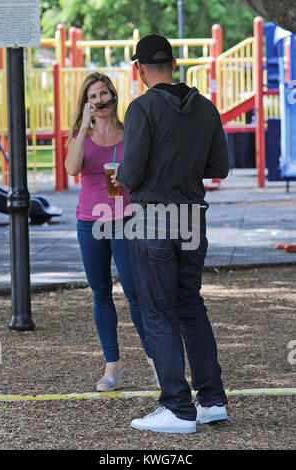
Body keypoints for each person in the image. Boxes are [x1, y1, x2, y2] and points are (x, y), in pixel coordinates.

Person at [114, 35, 230, 433]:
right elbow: (220, 166)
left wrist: (123, 177)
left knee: (158, 311)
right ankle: (211, 400)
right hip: (193, 216)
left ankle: (178, 408)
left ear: (139, 68)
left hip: (154, 218)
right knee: (190, 306)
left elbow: (129, 175)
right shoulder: (206, 107)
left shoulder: (141, 108)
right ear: (174, 65)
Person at [65, 72, 158, 392]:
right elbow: (72, 169)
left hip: (125, 219)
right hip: (89, 221)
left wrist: (127, 177)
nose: (99, 100)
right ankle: (112, 366)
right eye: (92, 96)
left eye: (104, 93)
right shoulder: (80, 134)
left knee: (134, 292)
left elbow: (145, 172)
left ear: (113, 97)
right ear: (86, 102)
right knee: (101, 292)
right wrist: (83, 129)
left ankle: (157, 363)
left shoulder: (128, 132)